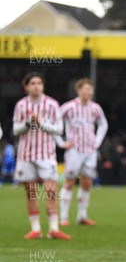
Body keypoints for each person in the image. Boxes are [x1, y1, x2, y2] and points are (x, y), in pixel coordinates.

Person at [12, 72, 71, 240]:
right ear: (26, 86)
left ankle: (54, 228)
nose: (36, 86)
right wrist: (28, 123)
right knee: (30, 192)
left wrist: (42, 124)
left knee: (51, 191)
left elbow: (60, 129)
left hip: (46, 154)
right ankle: (36, 229)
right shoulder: (21, 105)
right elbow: (15, 130)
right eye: (33, 83)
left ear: (43, 86)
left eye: (39, 83)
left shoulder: (52, 104)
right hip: (26, 154)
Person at [55, 78, 108, 226]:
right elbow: (54, 122)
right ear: (78, 90)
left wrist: (97, 141)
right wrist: (61, 142)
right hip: (74, 150)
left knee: (87, 182)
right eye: (86, 89)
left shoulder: (95, 108)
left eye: (91, 89)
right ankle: (64, 217)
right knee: (69, 181)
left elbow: (103, 124)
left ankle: (82, 216)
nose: (89, 92)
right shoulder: (69, 107)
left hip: (90, 151)